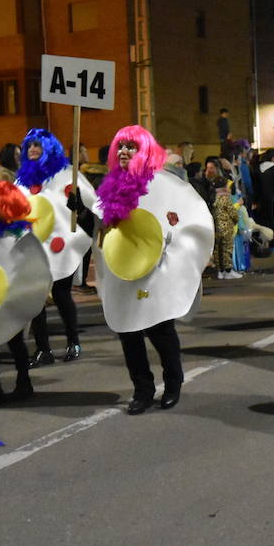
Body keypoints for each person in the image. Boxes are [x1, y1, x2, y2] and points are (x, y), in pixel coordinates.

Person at [94, 125, 212, 414]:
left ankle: (173, 382)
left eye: (131, 146)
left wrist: (166, 241)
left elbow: (187, 218)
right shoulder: (109, 186)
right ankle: (142, 389)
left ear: (144, 150)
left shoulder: (163, 184)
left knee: (160, 328)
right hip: (123, 271)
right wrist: (83, 213)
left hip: (157, 270)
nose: (123, 151)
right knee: (128, 331)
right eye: (120, 146)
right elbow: (100, 231)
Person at [14, 129, 96, 364]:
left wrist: (79, 204)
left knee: (61, 294)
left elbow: (93, 201)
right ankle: (43, 349)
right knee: (36, 297)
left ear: (48, 149)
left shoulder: (65, 174)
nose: (32, 149)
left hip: (61, 243)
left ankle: (73, 343)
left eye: (37, 145)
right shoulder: (21, 179)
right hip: (33, 244)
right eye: (29, 145)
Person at [0, 182, 50, 408]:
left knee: (15, 341)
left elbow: (33, 264)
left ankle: (24, 382)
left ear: (5, 204)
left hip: (11, 295)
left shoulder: (21, 234)